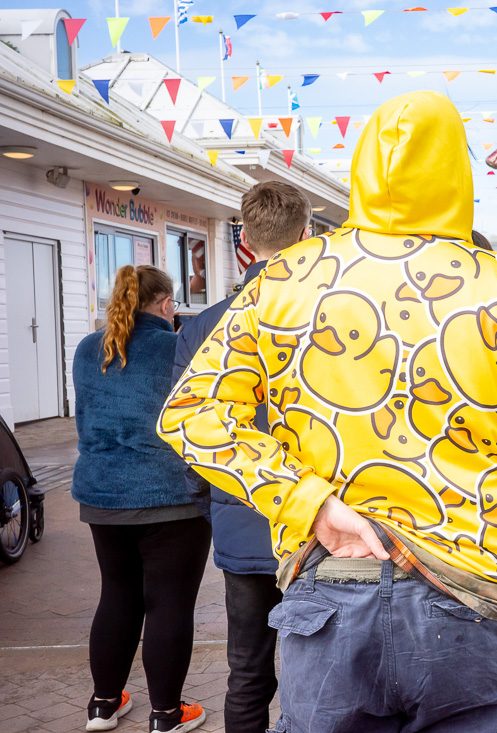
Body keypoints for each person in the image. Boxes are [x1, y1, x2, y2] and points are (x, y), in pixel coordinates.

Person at [159, 90, 497, 732]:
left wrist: (309, 502)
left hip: (330, 590)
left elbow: (191, 414)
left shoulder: (283, 284)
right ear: (459, 172)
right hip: (477, 589)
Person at [172, 181, 311, 733]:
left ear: (245, 243)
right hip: (318, 528)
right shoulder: (333, 316)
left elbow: (189, 433)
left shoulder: (205, 325)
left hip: (242, 520)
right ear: (306, 236)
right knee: (318, 676)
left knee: (247, 674)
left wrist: (212, 505)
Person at [73, 265, 209, 733]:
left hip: (102, 492)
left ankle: (103, 706)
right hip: (169, 496)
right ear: (168, 305)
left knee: (118, 594)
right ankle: (166, 715)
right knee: (169, 602)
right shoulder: (179, 347)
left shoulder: (89, 349)